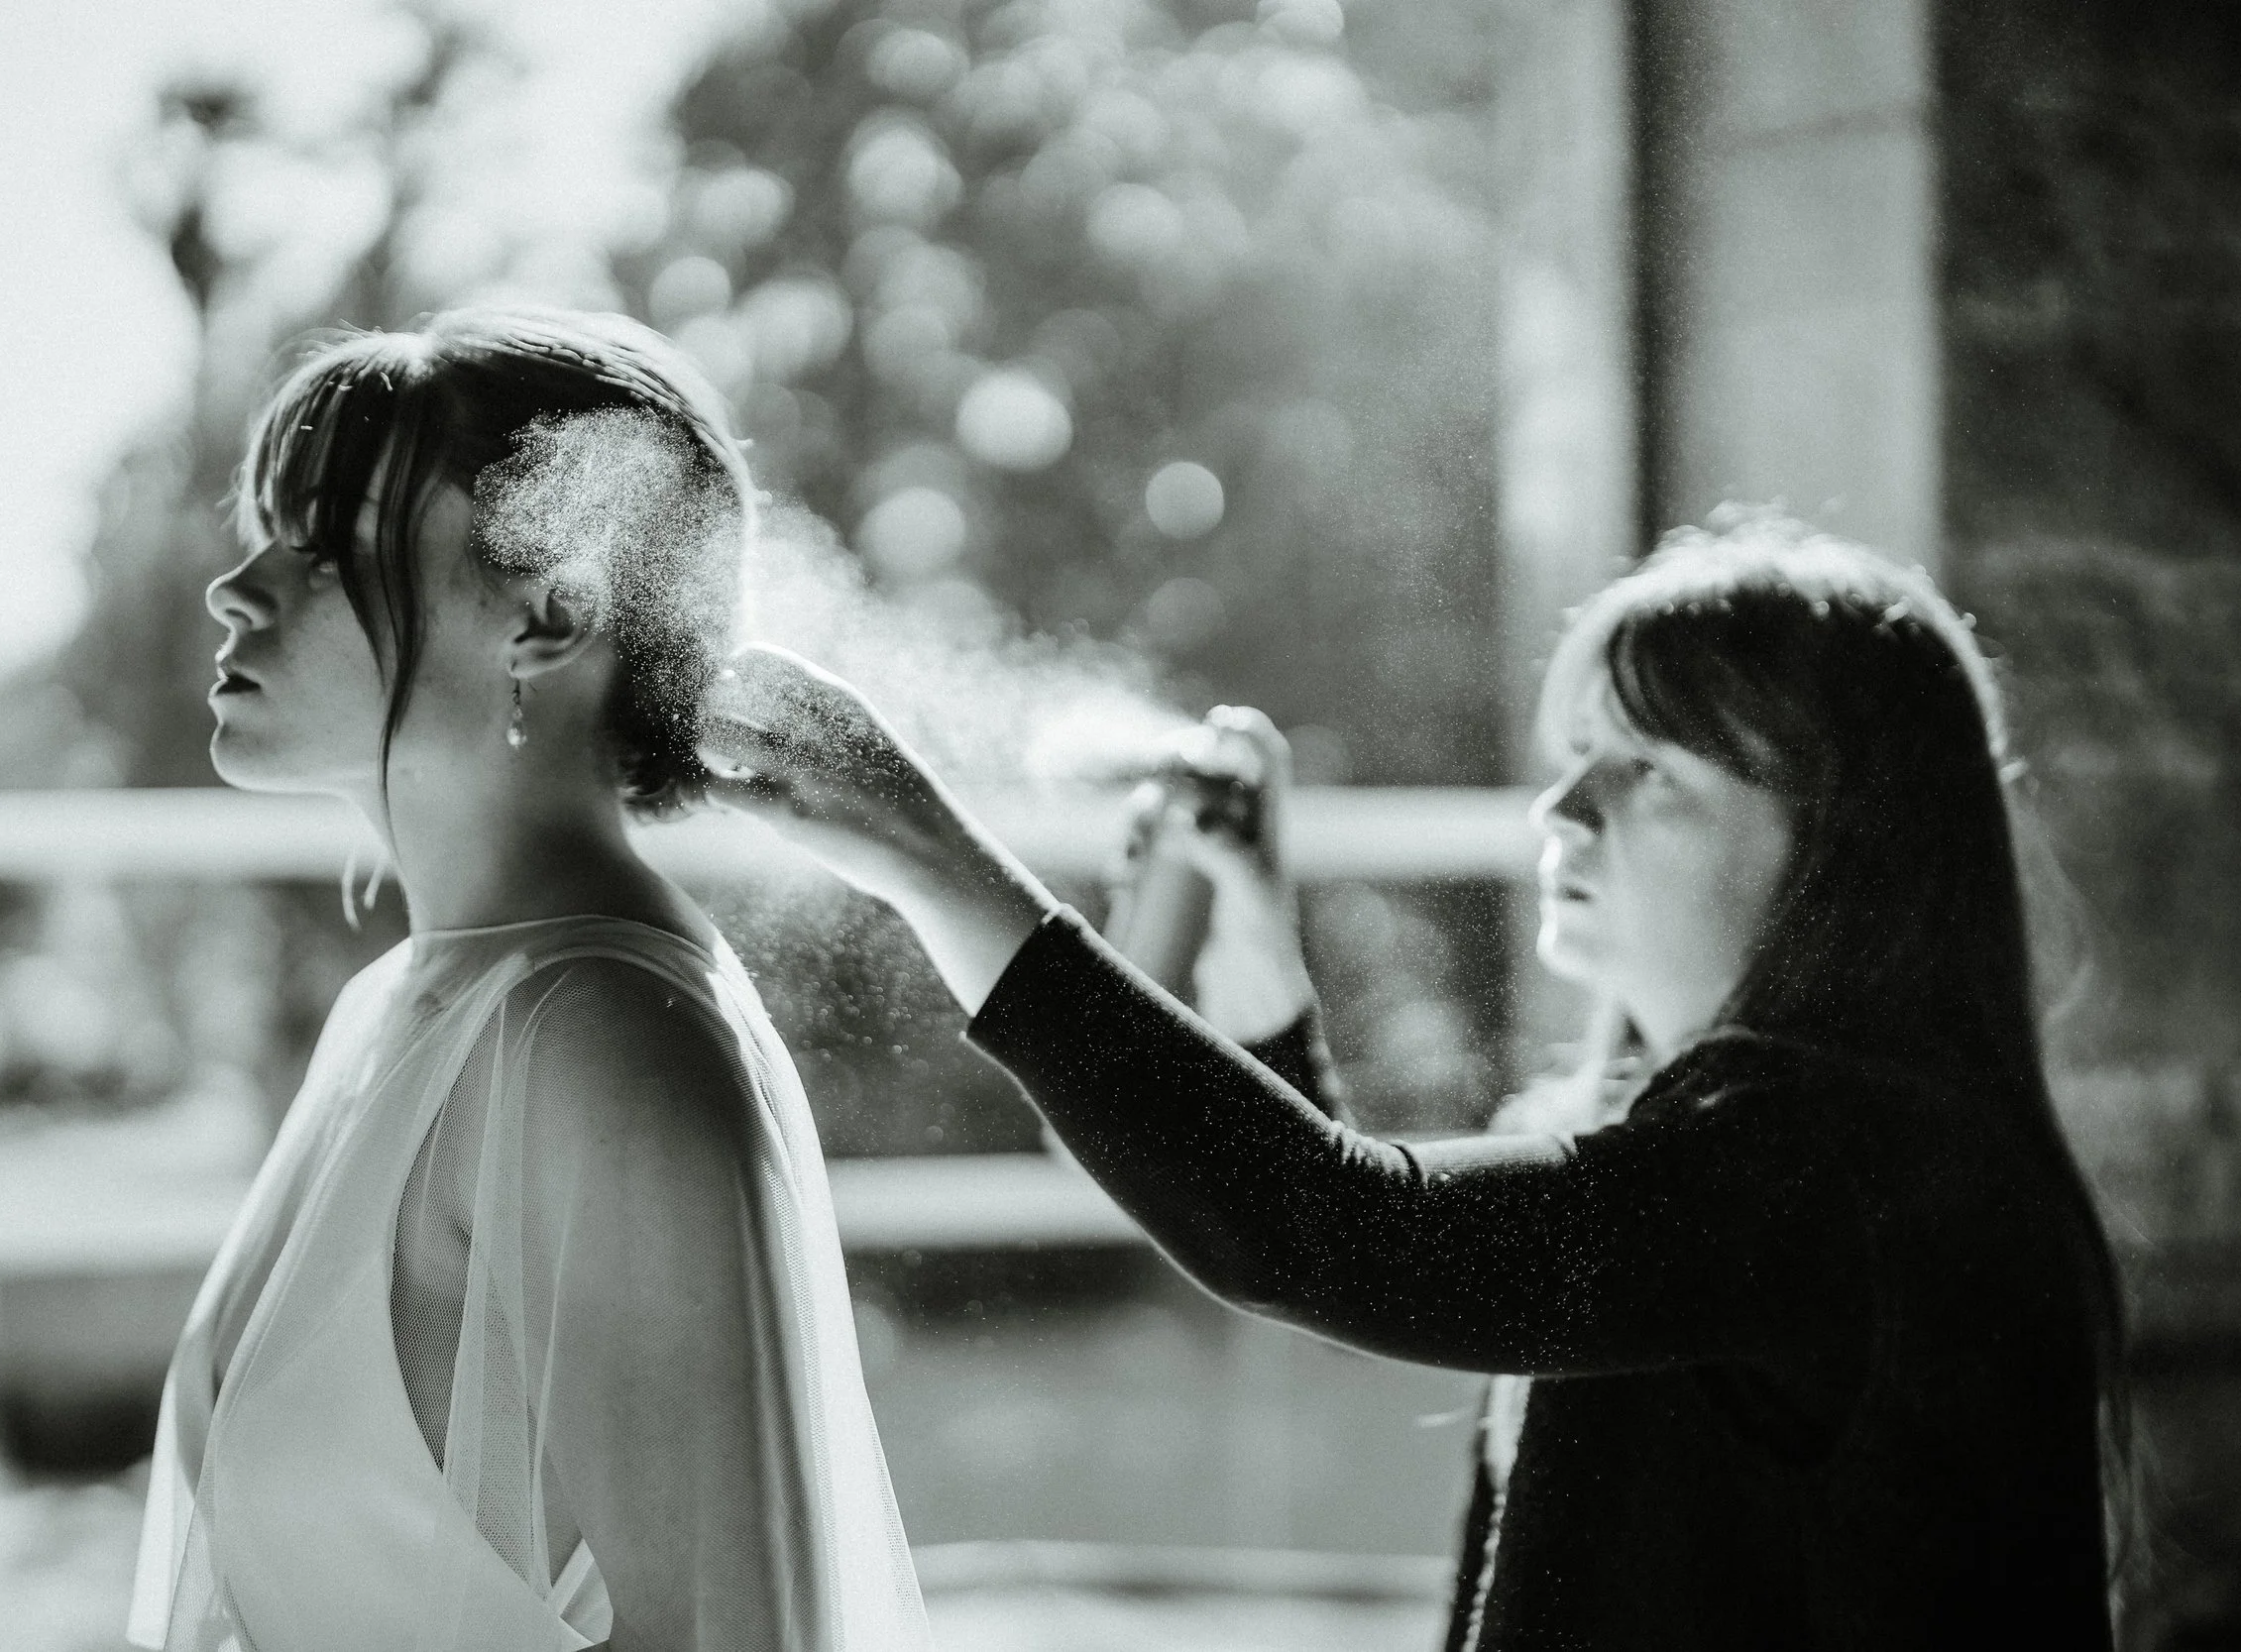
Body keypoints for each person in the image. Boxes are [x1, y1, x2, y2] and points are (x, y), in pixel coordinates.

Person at [701, 515, 2127, 1650]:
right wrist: (1259, 951)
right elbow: (1357, 1246)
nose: (1561, 810)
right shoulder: (1676, 1136)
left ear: (1844, 854)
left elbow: (1349, 1239)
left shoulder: (1829, 1163)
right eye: (1579, 758)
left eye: (1652, 773)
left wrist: (927, 854)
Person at [129, 307, 930, 1652]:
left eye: (327, 547)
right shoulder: (397, 1007)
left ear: (552, 612)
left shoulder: (602, 1040)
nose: (238, 585)